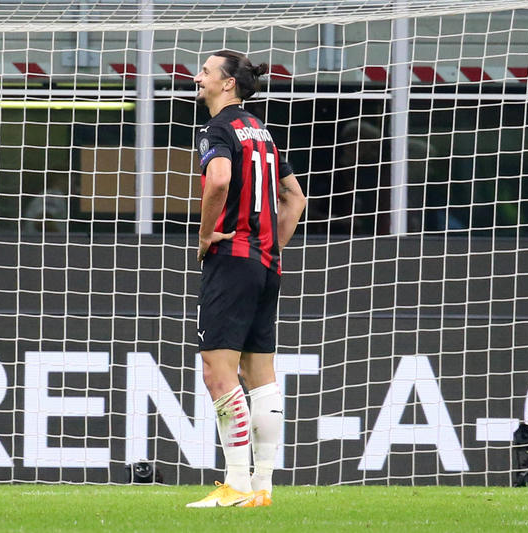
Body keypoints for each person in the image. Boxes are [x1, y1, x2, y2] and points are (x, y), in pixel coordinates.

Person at [185, 50, 306, 508]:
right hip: (265, 265)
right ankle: (263, 489)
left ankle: (235, 485)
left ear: (227, 84)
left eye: (206, 72)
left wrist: (204, 234)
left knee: (218, 372)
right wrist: (271, 246)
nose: (198, 78)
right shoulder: (262, 133)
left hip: (232, 261)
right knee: (261, 376)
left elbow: (217, 180)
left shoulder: (217, 129)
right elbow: (295, 199)